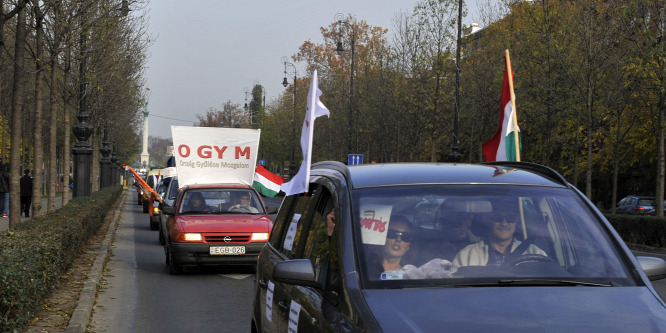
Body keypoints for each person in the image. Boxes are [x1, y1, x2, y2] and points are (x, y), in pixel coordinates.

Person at [452, 199, 546, 271]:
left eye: (510, 218)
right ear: (487, 220)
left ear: (517, 220)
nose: (504, 223)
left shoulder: (535, 254)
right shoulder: (467, 255)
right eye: (497, 217)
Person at [367, 215, 414, 279]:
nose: (398, 239)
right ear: (382, 238)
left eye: (406, 237)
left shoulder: (411, 275)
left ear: (408, 246)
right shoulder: (365, 270)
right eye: (392, 234)